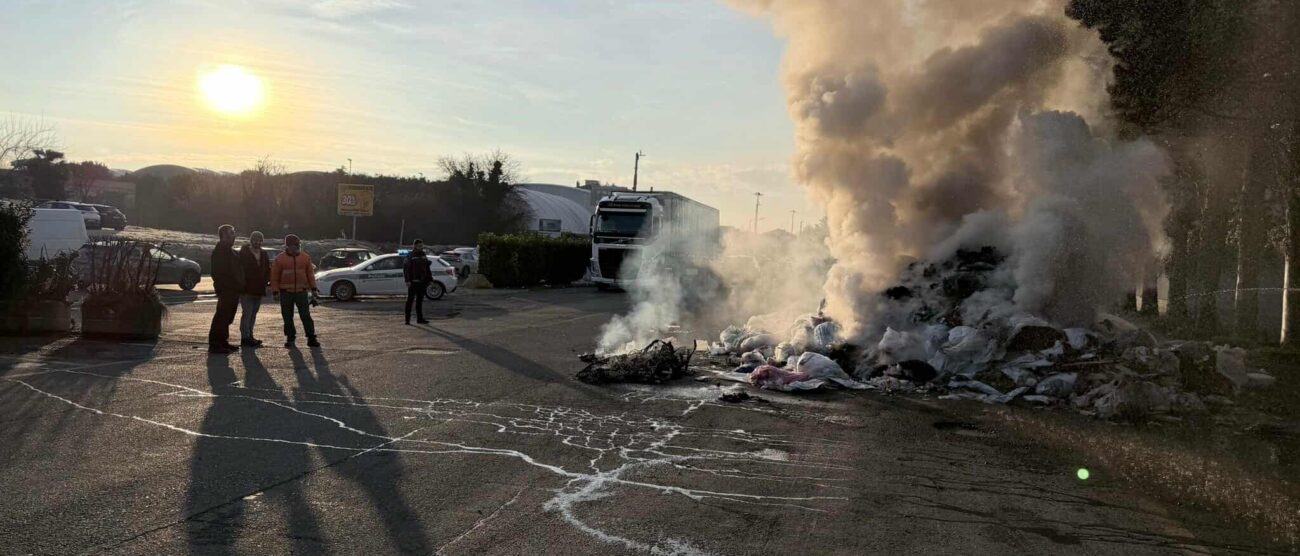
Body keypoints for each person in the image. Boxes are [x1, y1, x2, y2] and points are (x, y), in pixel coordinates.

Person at [271, 234, 320, 348]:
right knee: (287, 317)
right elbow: (274, 277)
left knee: (305, 315)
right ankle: (290, 338)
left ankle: (311, 338)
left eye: (298, 245)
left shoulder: (305, 258)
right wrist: (275, 292)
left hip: (301, 292)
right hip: (285, 293)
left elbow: (310, 275)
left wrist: (313, 289)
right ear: (288, 246)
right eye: (294, 245)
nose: (296, 247)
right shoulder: (280, 259)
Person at [208, 224, 244, 354]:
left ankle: (223, 341)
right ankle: (215, 344)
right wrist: (225, 286)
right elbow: (217, 272)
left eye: (233, 233)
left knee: (228, 317)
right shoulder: (220, 251)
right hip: (226, 289)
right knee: (221, 316)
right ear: (223, 235)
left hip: (233, 289)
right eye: (231, 233)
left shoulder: (230, 251)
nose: (234, 236)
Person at [238, 231, 271, 347]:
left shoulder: (264, 254)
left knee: (253, 314)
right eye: (255, 240)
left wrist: (267, 281)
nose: (257, 242)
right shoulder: (244, 253)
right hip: (246, 289)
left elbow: (267, 269)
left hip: (259, 289)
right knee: (247, 313)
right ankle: (245, 337)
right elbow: (240, 269)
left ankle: (250, 336)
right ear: (251, 240)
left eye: (259, 240)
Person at [403, 239, 432, 325]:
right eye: (420, 246)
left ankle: (420, 319)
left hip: (422, 281)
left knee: (419, 301)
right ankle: (407, 319)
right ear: (415, 246)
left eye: (422, 246)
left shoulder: (423, 255)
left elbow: (427, 268)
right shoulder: (410, 255)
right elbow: (406, 269)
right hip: (413, 282)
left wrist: (429, 279)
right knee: (410, 301)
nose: (421, 247)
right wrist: (407, 280)